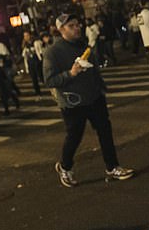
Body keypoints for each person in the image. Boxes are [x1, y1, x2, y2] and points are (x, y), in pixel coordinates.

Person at [43, 13, 135, 187]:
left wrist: (101, 87)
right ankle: (65, 166)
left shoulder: (83, 45)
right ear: (61, 29)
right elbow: (49, 80)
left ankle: (112, 166)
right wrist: (70, 73)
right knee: (75, 136)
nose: (77, 28)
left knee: (105, 132)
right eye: (71, 26)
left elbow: (94, 70)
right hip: (72, 102)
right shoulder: (53, 52)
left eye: (78, 24)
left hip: (94, 97)